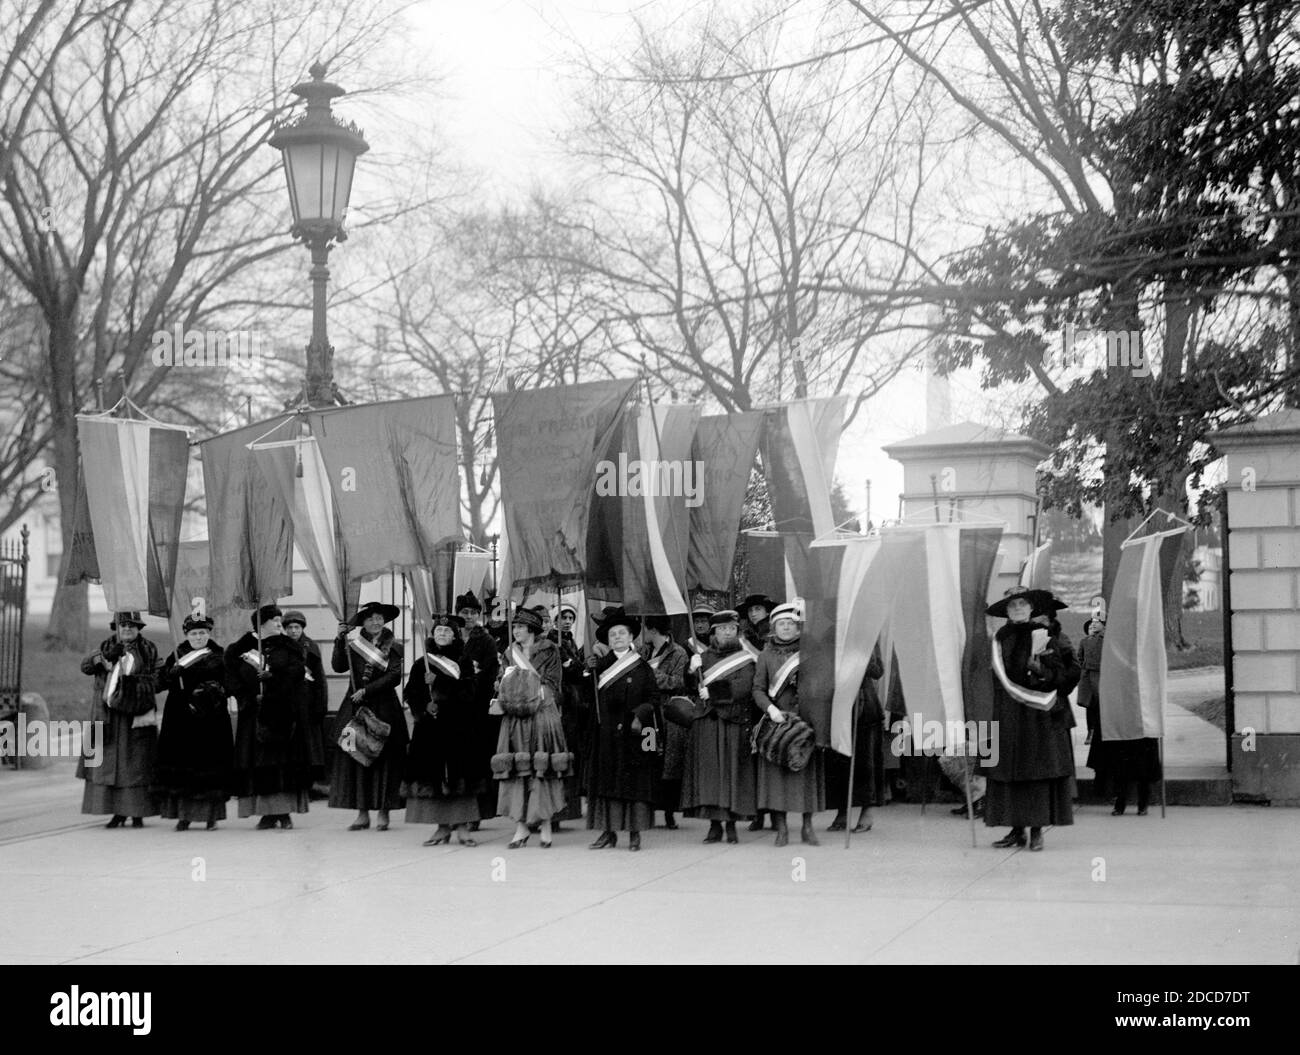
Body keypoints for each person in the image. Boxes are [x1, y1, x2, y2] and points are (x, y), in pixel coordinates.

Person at [982, 585, 1080, 851]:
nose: (1017, 609)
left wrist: (1040, 670)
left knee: (1036, 770)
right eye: (1012, 606)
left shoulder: (1044, 635)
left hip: (1038, 716)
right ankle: (1016, 830)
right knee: (1010, 770)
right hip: (1008, 714)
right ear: (1006, 611)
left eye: (1022, 604)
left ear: (1031, 608)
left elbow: (1063, 677)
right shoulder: (999, 638)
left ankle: (1036, 831)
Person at [225, 604, 315, 829]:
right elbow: (231, 677)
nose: (279, 624)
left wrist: (273, 679)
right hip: (252, 714)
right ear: (260, 624)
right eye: (274, 620)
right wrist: (247, 697)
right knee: (257, 764)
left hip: (281, 716)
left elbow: (296, 674)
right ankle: (265, 813)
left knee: (282, 764)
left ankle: (283, 812)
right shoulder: (240, 649)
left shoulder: (289, 647)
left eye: (279, 619)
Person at [403, 615, 485, 845]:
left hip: (459, 728)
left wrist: (439, 684)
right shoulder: (422, 663)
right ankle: (441, 827)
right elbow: (411, 692)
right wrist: (423, 706)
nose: (441, 634)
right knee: (435, 779)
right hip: (431, 730)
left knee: (461, 779)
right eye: (438, 630)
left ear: (454, 636)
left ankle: (462, 827)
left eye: (447, 631)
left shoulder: (464, 661)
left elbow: (469, 693)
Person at [492, 607, 569, 848]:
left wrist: (527, 691)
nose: (516, 631)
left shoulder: (550, 650)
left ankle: (545, 823)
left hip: (541, 716)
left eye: (521, 627)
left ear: (532, 630)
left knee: (540, 770)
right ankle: (521, 826)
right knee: (518, 772)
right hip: (515, 719)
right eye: (514, 627)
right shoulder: (508, 653)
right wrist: (503, 684)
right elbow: (500, 681)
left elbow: (554, 685)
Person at [680, 609, 758, 843]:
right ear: (714, 632)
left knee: (731, 775)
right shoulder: (703, 657)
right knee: (711, 778)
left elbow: (744, 686)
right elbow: (691, 687)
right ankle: (714, 825)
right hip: (706, 723)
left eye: (731, 629)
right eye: (722, 629)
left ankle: (732, 825)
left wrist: (712, 692)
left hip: (732, 721)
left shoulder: (745, 658)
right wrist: (691, 671)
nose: (727, 633)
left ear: (737, 631)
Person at [78, 611, 161, 828]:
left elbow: (160, 677)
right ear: (116, 627)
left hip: (136, 714)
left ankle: (137, 812)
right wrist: (105, 658)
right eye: (123, 625)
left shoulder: (148, 649)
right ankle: (116, 812)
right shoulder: (106, 646)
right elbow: (86, 667)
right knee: (109, 763)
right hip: (106, 715)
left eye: (132, 626)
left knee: (136, 765)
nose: (127, 629)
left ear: (139, 629)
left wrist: (136, 686)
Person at [752, 600, 824, 847]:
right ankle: (781, 829)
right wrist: (771, 710)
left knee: (805, 778)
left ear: (798, 628)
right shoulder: (765, 656)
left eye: (791, 624)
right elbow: (758, 689)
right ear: (774, 627)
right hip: (777, 723)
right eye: (781, 624)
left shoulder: (811, 654)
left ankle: (807, 827)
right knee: (776, 781)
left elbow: (820, 686)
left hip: (804, 722)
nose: (786, 628)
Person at [586, 607, 659, 851]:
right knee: (607, 782)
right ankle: (608, 833)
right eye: (612, 634)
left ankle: (634, 834)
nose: (617, 637)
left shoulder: (642, 668)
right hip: (606, 735)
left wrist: (640, 715)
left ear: (631, 638)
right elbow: (588, 699)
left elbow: (654, 700)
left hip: (633, 735)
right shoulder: (599, 666)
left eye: (622, 633)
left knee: (633, 783)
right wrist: (586, 672)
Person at [331, 601, 408, 831]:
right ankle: (362, 813)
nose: (376, 622)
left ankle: (384, 812)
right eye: (371, 618)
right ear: (363, 622)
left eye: (379, 618)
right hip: (356, 706)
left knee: (385, 761)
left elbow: (394, 676)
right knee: (357, 758)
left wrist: (368, 690)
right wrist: (338, 640)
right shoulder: (353, 645)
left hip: (384, 706)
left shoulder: (394, 646)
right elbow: (338, 666)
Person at [155, 615, 232, 831]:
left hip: (211, 720)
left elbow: (231, 684)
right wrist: (171, 675)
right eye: (194, 633)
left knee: (209, 766)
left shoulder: (219, 656)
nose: (198, 637)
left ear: (209, 634)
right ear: (186, 635)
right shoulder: (178, 655)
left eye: (202, 633)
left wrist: (215, 690)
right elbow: (158, 683)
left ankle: (211, 816)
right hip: (181, 720)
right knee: (184, 766)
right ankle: (184, 816)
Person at [825, 643, 886, 833]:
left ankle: (867, 811)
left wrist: (858, 656)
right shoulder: (830, 632)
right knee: (839, 761)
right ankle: (842, 811)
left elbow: (878, 671)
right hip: (836, 704)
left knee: (865, 763)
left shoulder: (866, 633)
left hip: (864, 708)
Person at [456, 591, 501, 827]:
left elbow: (490, 673)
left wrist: (470, 678)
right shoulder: (450, 637)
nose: (470, 616)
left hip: (477, 708)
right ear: (457, 614)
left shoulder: (486, 640)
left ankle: (478, 813)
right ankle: (455, 811)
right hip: (453, 708)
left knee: (478, 761)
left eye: (474, 612)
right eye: (465, 612)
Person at [641, 615, 689, 829]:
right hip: (648, 716)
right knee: (648, 758)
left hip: (668, 716)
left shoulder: (678, 653)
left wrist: (653, 675)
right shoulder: (643, 652)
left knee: (670, 764)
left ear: (652, 630)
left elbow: (679, 683)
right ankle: (648, 810)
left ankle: (669, 812)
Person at [547, 602, 588, 827]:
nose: (567, 621)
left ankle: (569, 808)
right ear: (555, 620)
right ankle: (556, 812)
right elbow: (569, 670)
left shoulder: (570, 641)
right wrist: (574, 666)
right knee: (559, 754)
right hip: (560, 703)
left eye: (570, 617)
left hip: (573, 705)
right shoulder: (553, 642)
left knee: (571, 754)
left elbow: (577, 668)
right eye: (563, 617)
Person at [282, 610, 329, 792]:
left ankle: (309, 785)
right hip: (288, 705)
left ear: (302, 628)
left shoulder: (311, 647)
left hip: (308, 705)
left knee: (310, 747)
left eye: (297, 627)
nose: (294, 631)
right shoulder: (282, 647)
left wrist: (320, 705)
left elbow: (320, 678)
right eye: (290, 628)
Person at [740, 592, 774, 831]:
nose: (754, 614)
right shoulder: (745, 636)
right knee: (755, 758)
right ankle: (759, 813)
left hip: (770, 699)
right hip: (751, 701)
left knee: (768, 757)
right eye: (751, 610)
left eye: (758, 609)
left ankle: (771, 813)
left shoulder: (772, 635)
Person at [1076, 618, 1105, 746]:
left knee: (1101, 705)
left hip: (1103, 675)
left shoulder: (1106, 640)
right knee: (1090, 705)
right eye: (1091, 624)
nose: (1093, 624)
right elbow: (1079, 658)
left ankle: (1101, 732)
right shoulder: (1084, 641)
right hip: (1088, 677)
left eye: (1097, 622)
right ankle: (1091, 731)